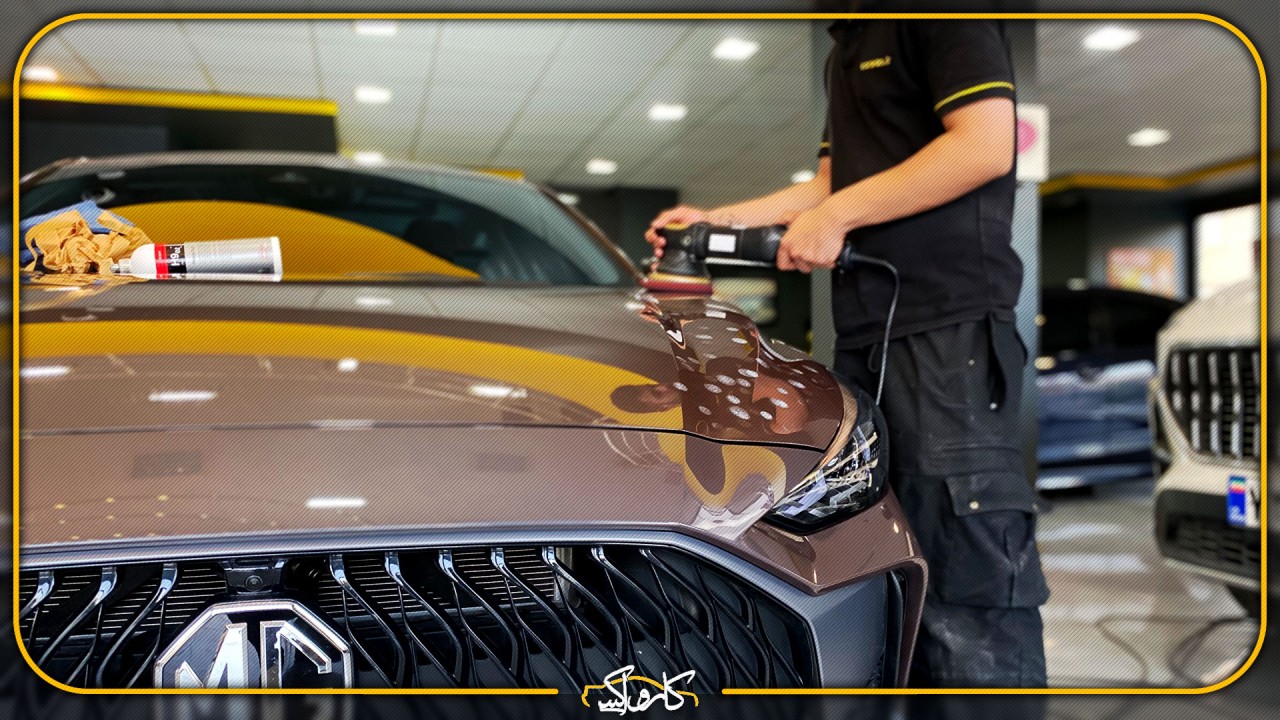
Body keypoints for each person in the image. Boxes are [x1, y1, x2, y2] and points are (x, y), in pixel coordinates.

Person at [644, 13, 1049, 688]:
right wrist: (717, 221)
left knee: (963, 573)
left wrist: (835, 218)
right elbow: (831, 183)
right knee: (888, 556)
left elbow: (984, 144)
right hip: (867, 333)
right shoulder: (850, 42)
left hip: (945, 334)